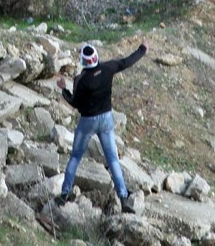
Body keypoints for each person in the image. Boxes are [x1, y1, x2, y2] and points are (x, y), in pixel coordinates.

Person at [56, 39, 149, 213]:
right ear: (96, 57)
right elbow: (127, 61)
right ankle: (122, 196)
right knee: (112, 158)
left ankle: (64, 193)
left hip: (87, 122)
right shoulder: (108, 68)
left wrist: (63, 89)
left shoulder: (81, 79)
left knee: (75, 157)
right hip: (106, 119)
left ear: (83, 61)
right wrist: (142, 49)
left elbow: (74, 103)